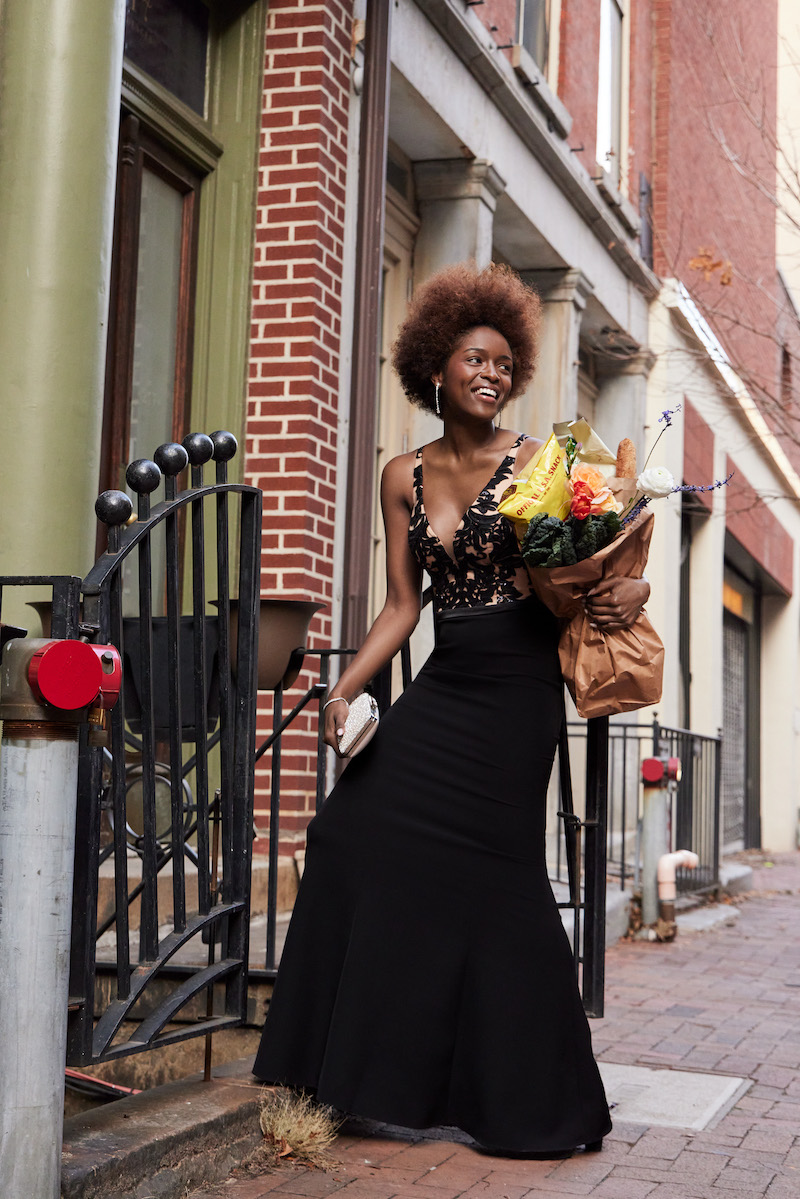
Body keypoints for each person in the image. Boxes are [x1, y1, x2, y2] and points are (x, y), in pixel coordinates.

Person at [253, 262, 649, 1156]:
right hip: (447, 680)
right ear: (437, 366)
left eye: (506, 363)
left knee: (500, 880)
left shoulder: (546, 462)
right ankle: (354, 1071)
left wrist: (624, 588)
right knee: (350, 832)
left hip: (518, 690)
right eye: (476, 358)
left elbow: (588, 579)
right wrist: (346, 688)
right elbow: (402, 607)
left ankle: (538, 1101)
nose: (492, 373)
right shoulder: (403, 474)